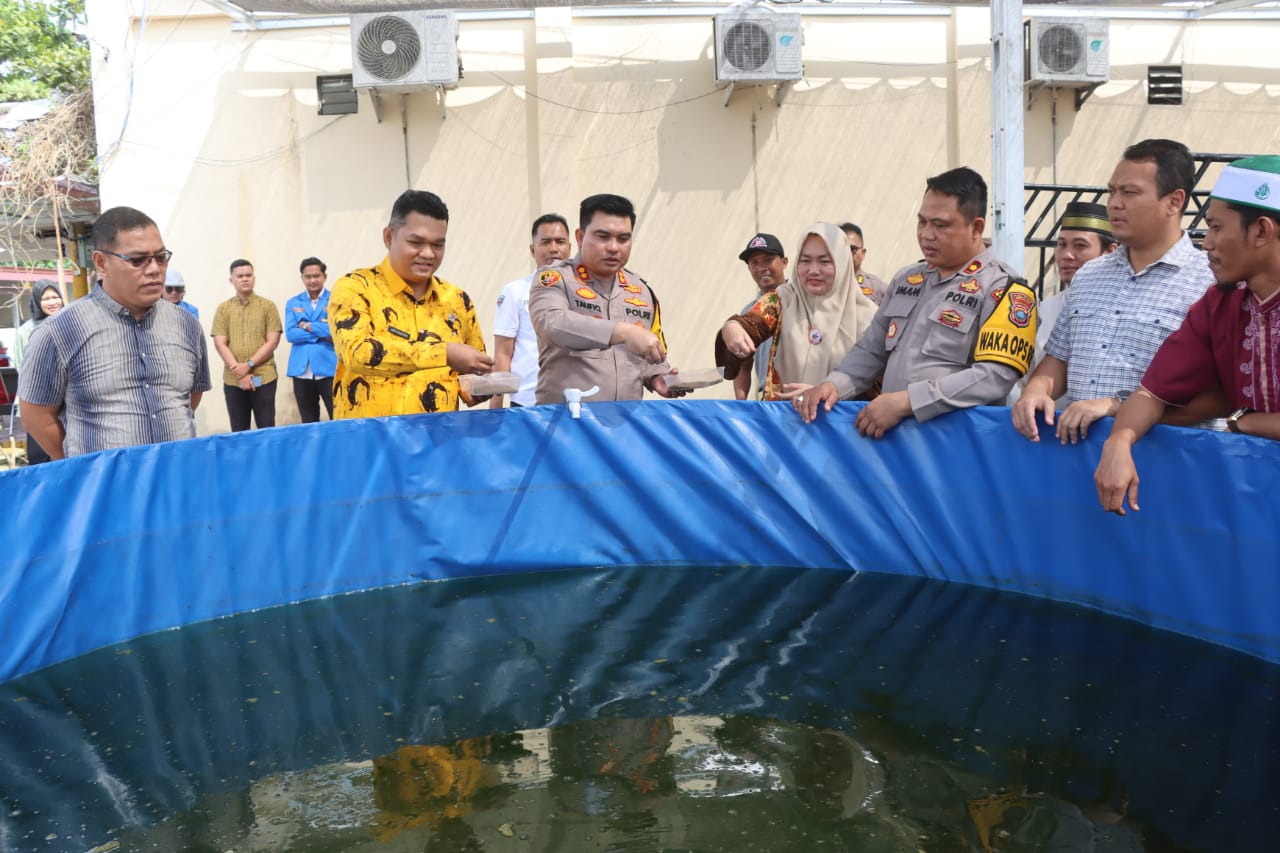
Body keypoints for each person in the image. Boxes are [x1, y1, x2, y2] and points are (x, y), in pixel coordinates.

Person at [1096, 155, 1280, 515]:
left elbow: (1237, 417)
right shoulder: (1220, 303)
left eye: (1216, 227)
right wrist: (1119, 441)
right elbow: (1153, 392)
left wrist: (1244, 422)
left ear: (1261, 231)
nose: (1206, 243)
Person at [797, 167, 1037, 438]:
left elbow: (995, 377)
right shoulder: (907, 279)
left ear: (977, 227)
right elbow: (871, 349)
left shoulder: (1005, 289)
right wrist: (834, 386)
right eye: (922, 222)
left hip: (955, 448)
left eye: (940, 225)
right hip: (893, 443)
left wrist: (908, 402)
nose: (926, 234)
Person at [1012, 139, 1215, 444]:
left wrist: (1116, 406)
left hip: (1170, 461)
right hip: (1081, 456)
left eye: (1130, 193)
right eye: (1112, 192)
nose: (1115, 203)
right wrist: (1036, 392)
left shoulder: (1210, 281)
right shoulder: (1090, 275)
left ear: (1174, 201)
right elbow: (1058, 359)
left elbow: (1218, 394)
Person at [17, 206, 210, 459]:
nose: (154, 269)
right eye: (138, 260)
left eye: (161, 257)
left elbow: (189, 399)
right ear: (101, 263)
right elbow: (37, 416)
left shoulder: (187, 326)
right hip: (105, 492)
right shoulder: (59, 332)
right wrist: (84, 469)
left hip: (177, 485)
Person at [329, 189, 493, 419]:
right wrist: (443, 353)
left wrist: (489, 383)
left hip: (436, 444)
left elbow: (467, 388)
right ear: (388, 237)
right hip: (370, 444)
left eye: (438, 245)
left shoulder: (457, 301)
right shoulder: (355, 288)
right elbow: (358, 353)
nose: (428, 253)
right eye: (416, 242)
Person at [528, 193, 685, 405]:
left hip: (625, 426)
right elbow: (553, 323)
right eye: (603, 236)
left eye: (623, 239)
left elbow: (649, 351)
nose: (613, 247)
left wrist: (658, 377)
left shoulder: (640, 290)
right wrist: (623, 332)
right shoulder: (555, 278)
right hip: (567, 424)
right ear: (581, 237)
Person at [717, 224, 877, 402]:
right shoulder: (782, 300)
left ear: (842, 263)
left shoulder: (869, 316)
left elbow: (875, 383)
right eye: (805, 260)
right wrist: (732, 327)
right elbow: (752, 322)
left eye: (824, 261)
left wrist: (830, 391)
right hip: (782, 421)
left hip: (839, 425)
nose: (813, 270)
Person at [1008, 201, 1117, 405]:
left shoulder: (1122, 309)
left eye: (1080, 246)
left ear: (1109, 252)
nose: (1066, 255)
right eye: (1061, 245)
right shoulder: (1044, 309)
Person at [489, 214, 572, 408]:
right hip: (526, 402)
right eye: (545, 242)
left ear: (570, 248)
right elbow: (503, 352)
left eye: (560, 241)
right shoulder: (514, 291)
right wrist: (496, 402)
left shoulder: (583, 294)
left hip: (572, 401)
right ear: (532, 250)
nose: (553, 248)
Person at [211, 259, 282, 431]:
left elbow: (272, 342)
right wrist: (239, 372)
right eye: (240, 276)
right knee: (239, 431)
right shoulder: (223, 309)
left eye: (248, 275)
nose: (245, 279)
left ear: (254, 278)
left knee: (266, 429)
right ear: (231, 280)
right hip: (233, 380)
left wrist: (249, 365)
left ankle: (266, 459)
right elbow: (220, 343)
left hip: (263, 377)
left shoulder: (268, 306)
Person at [726, 232, 789, 400]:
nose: (761, 268)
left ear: (784, 262)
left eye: (768, 260)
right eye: (754, 263)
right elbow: (744, 364)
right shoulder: (749, 311)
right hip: (768, 399)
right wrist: (741, 404)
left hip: (799, 395)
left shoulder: (800, 299)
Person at [11, 282, 65, 464]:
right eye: (46, 298)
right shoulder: (26, 331)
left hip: (68, 402)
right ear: (36, 301)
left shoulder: (70, 324)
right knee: (41, 456)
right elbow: (21, 366)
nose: (52, 302)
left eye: (55, 297)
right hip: (38, 401)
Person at [284, 256, 336, 423]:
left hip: (329, 367)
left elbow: (335, 333)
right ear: (302, 278)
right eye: (308, 276)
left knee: (338, 417)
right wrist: (321, 334)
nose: (312, 280)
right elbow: (291, 334)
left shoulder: (335, 299)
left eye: (316, 276)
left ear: (324, 276)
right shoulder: (293, 302)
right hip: (301, 370)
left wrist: (307, 326)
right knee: (308, 421)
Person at [841, 222, 889, 305]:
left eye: (852, 249)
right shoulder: (823, 285)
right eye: (842, 248)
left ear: (863, 253)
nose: (847, 253)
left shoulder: (877, 287)